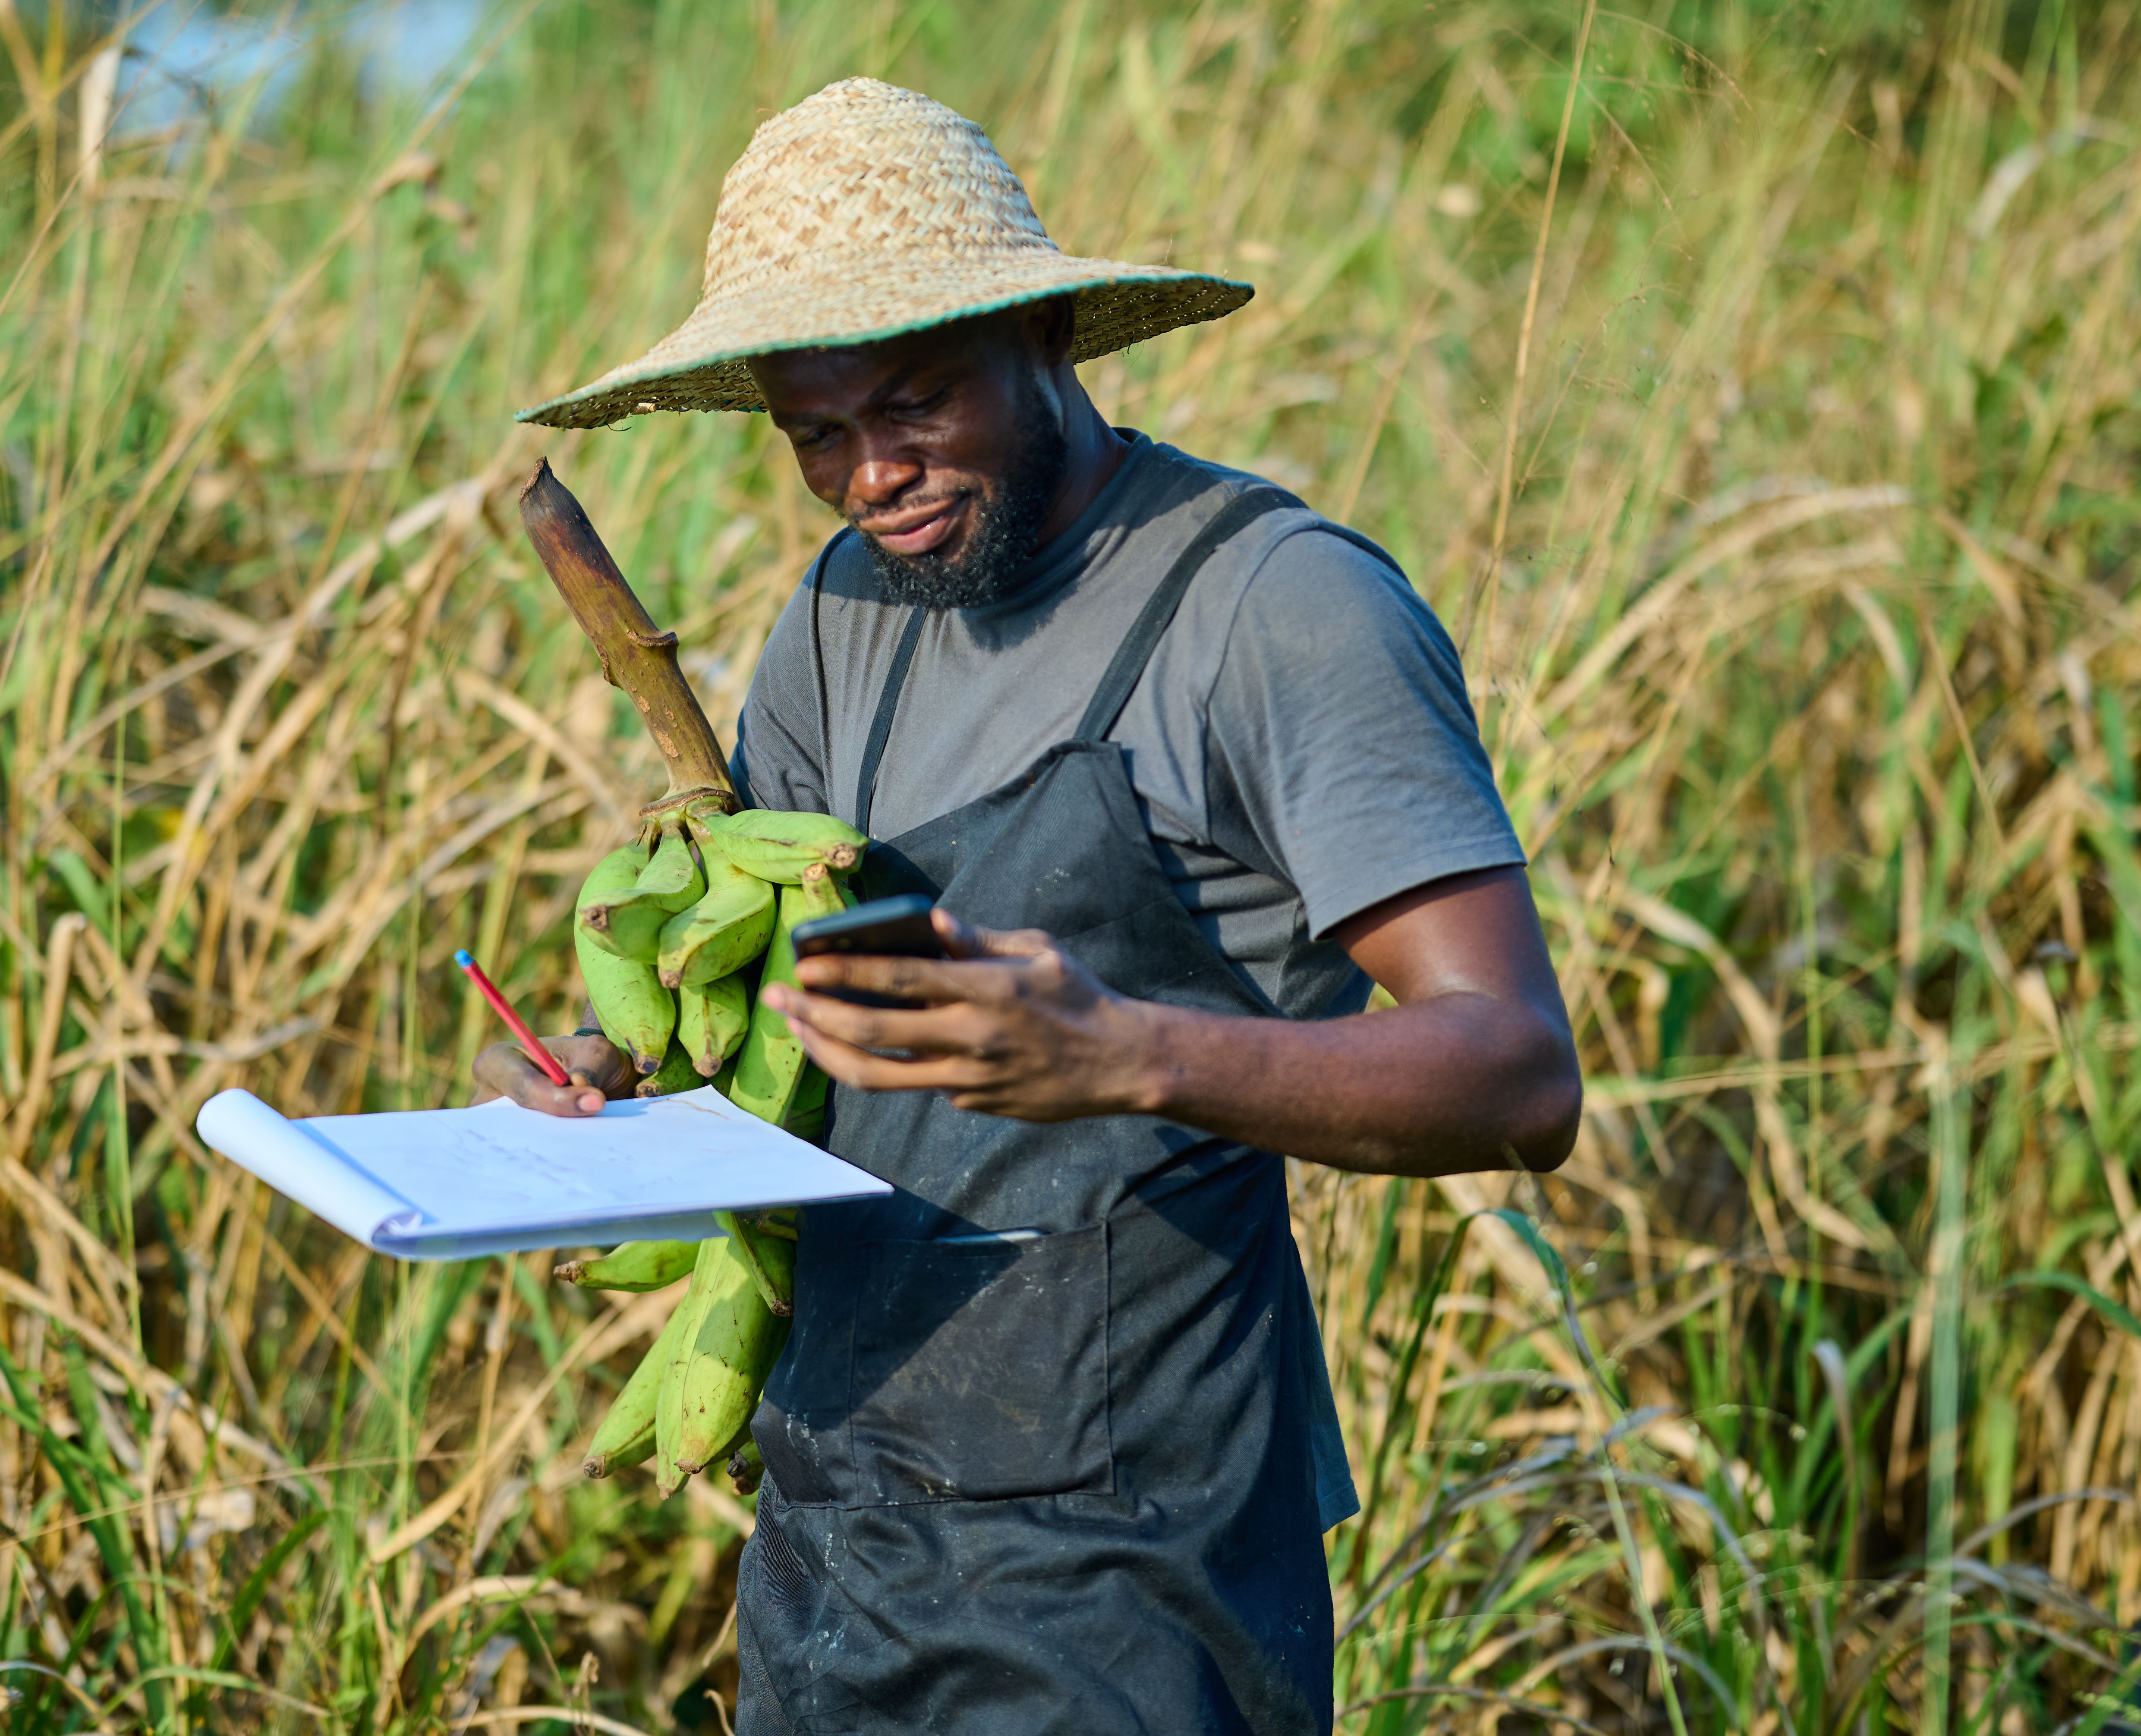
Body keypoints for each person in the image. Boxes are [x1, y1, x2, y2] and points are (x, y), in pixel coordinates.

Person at [484, 77, 1580, 1736]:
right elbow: (791, 1029)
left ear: (1048, 333)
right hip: (840, 1525)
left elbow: (1515, 1074)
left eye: (918, 402)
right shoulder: (850, 610)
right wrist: (609, 1082)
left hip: (1135, 1565)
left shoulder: (1275, 609)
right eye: (816, 434)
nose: (873, 476)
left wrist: (1123, 1050)